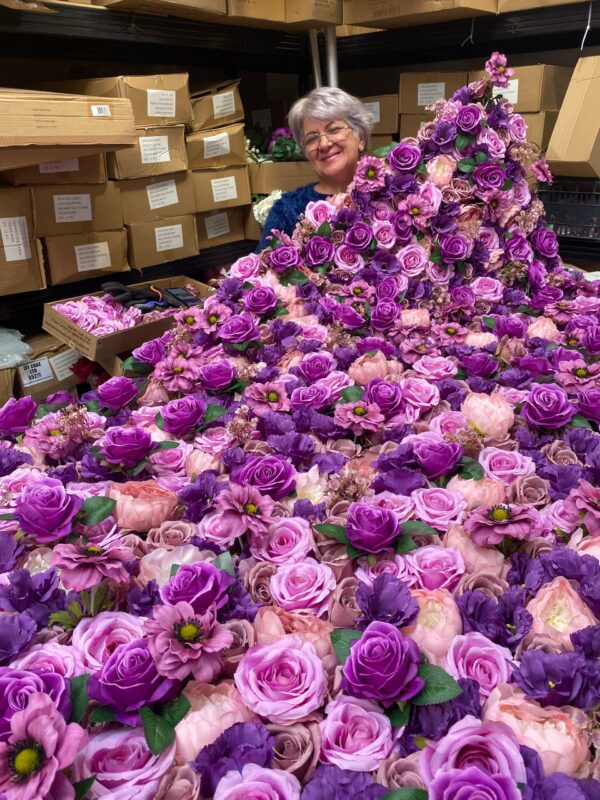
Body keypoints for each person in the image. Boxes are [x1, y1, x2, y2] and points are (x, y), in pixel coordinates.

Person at [256, 86, 373, 251]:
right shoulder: (287, 210)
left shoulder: (388, 195)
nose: (324, 144)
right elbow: (262, 272)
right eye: (312, 139)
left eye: (334, 130)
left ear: (360, 138)